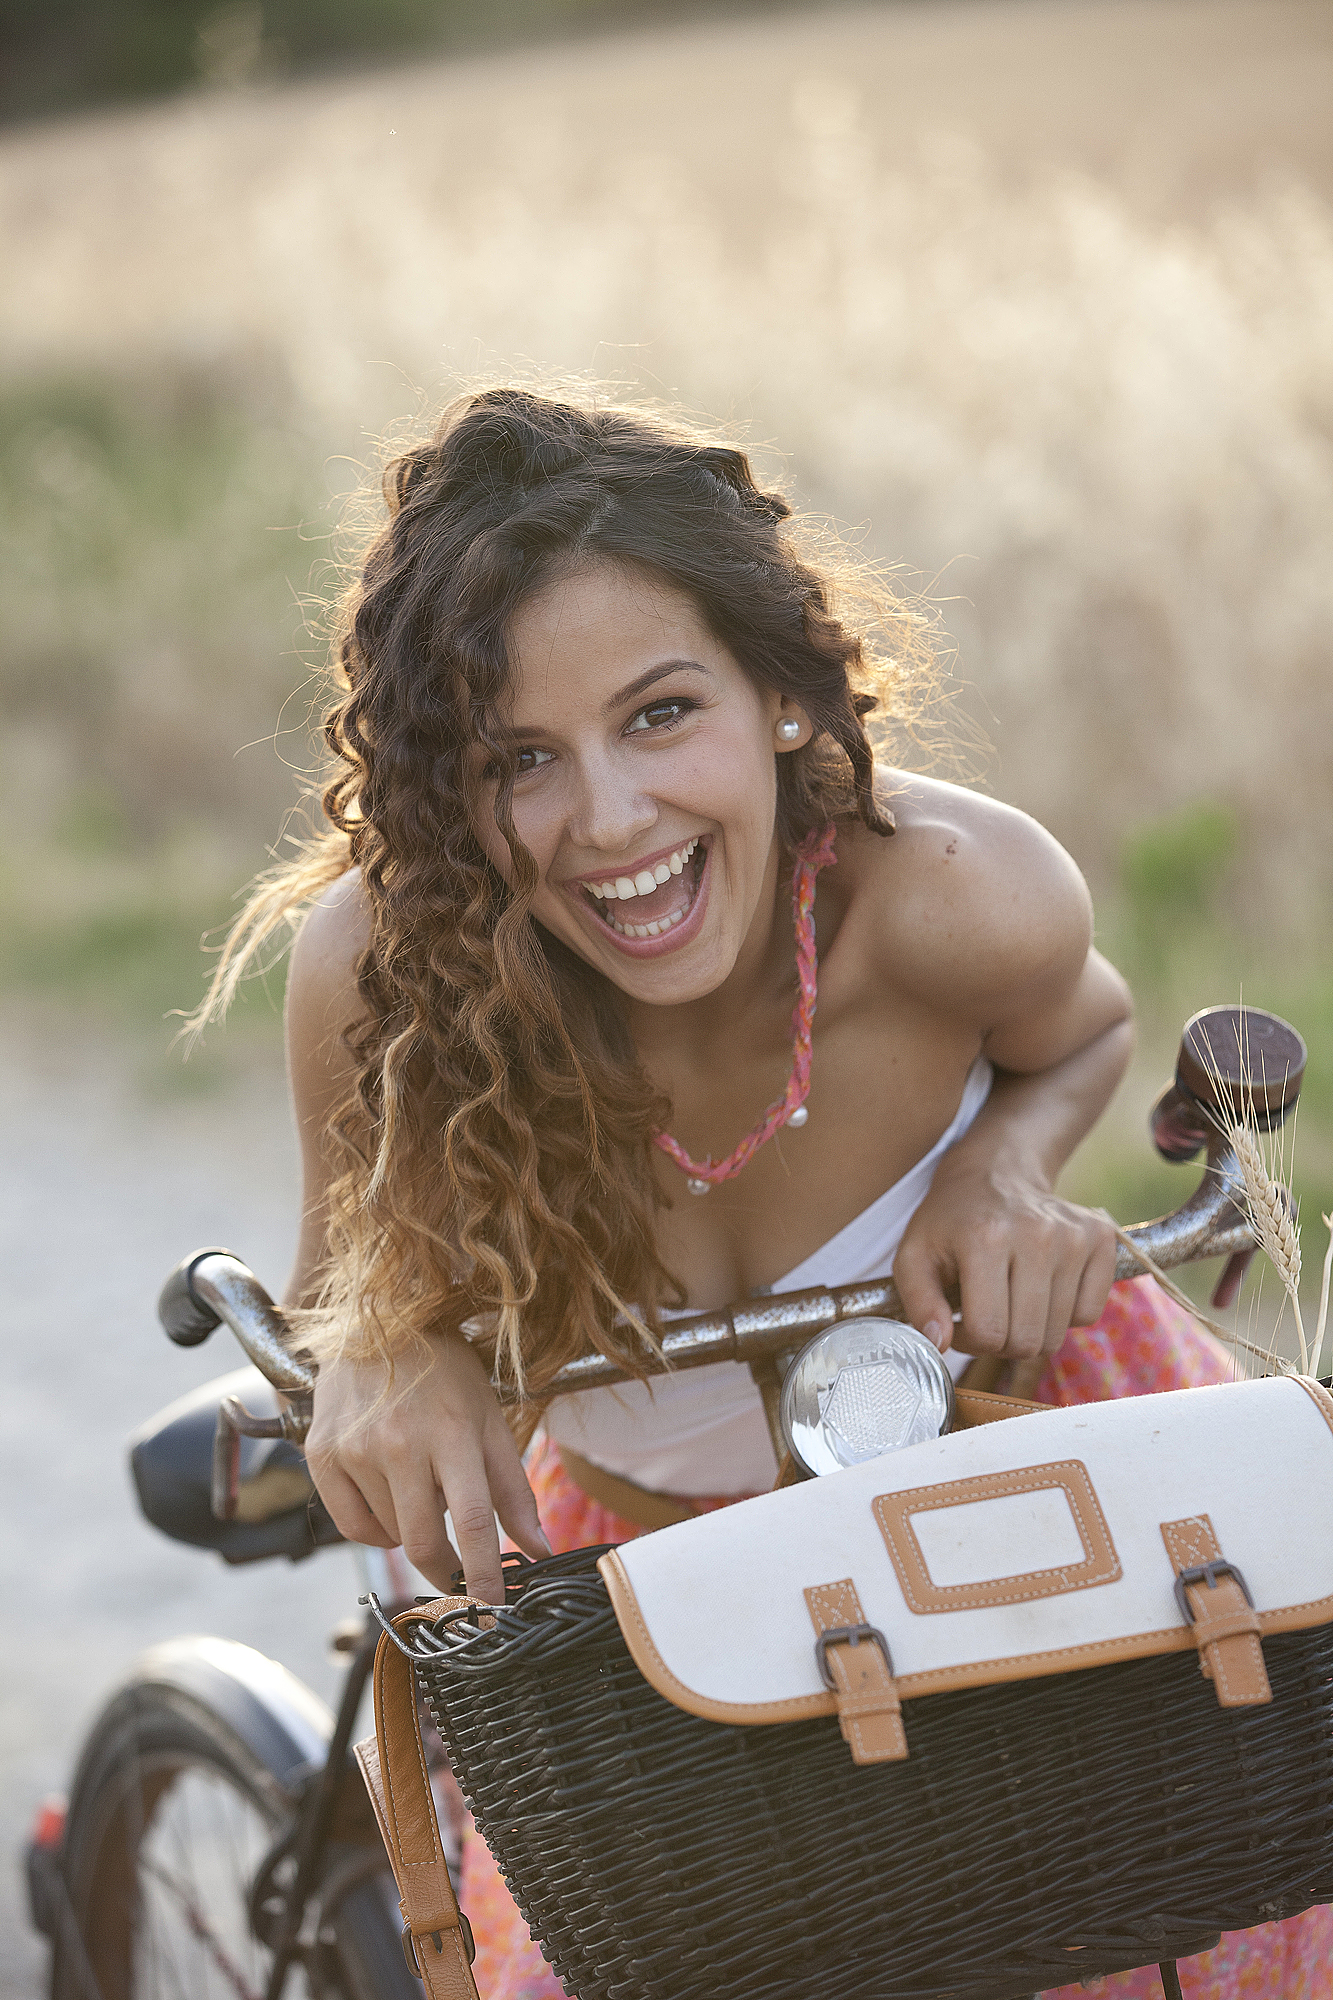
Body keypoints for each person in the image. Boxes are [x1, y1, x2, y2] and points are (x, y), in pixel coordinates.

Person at [206, 386, 1329, 2000]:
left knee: (1198, 1915)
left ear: (784, 697)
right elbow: (334, 1296)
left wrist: (1003, 1172)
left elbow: (1080, 1033)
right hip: (635, 1576)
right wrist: (387, 1337)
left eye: (661, 714)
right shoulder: (381, 976)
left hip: (1020, 1465)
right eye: (520, 759)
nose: (609, 822)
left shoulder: (951, 895)